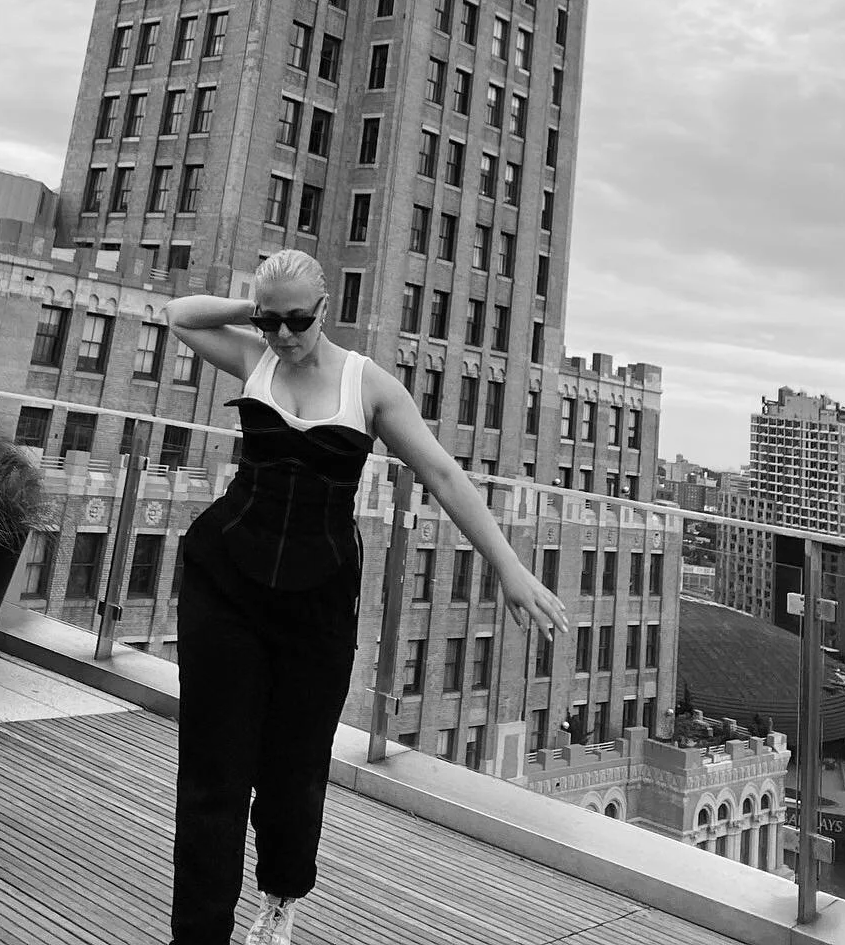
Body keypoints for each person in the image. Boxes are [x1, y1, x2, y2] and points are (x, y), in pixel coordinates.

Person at [163, 247, 568, 945]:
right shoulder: (255, 356)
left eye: (298, 321)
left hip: (317, 599)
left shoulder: (367, 384)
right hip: (225, 579)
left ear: (325, 311)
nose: (284, 336)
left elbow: (442, 474)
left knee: (293, 771)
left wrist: (510, 568)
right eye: (270, 321)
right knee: (212, 772)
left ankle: (281, 895)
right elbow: (179, 315)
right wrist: (253, 309)